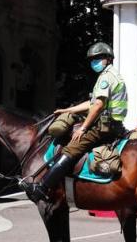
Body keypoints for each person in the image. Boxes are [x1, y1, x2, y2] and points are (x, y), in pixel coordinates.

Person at [20, 42, 127, 203]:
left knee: (71, 149)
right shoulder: (111, 75)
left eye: (98, 58)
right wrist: (68, 110)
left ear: (109, 59)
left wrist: (83, 129)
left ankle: (43, 188)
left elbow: (98, 106)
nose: (94, 62)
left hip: (105, 126)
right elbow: (91, 103)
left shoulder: (106, 77)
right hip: (112, 124)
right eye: (92, 59)